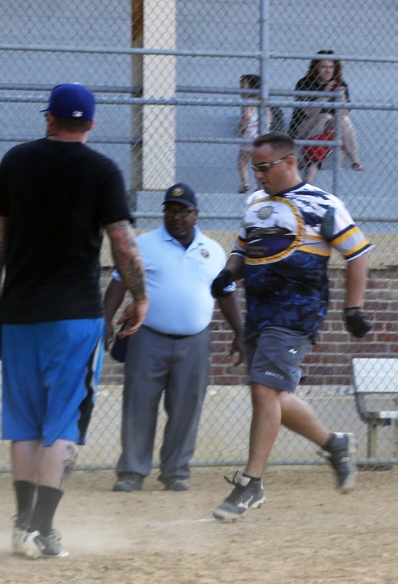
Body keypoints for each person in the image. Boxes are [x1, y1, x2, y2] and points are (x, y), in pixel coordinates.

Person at [0, 82, 147, 559]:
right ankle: (42, 529)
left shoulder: (16, 160)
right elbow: (122, 241)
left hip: (20, 312)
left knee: (24, 422)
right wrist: (140, 298)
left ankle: (21, 526)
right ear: (90, 125)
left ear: (49, 118)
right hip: (75, 315)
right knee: (63, 423)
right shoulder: (102, 171)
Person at [209, 131, 373, 523]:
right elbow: (242, 249)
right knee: (272, 394)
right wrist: (227, 274)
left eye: (265, 167)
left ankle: (252, 483)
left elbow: (358, 252)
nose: (259, 174)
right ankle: (334, 444)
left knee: (264, 389)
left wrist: (354, 308)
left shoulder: (323, 204)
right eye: (255, 168)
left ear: (289, 162)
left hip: (298, 311)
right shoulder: (255, 202)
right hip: (261, 310)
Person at [104, 183, 245, 494]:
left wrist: (239, 332)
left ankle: (176, 472)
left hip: (195, 341)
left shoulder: (213, 250)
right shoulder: (144, 244)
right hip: (148, 337)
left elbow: (225, 294)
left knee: (186, 408)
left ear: (196, 215)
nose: (176, 217)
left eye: (183, 212)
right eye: (170, 211)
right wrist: (106, 320)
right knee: (139, 405)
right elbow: (118, 281)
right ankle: (131, 472)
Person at [288, 50, 364, 172]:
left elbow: (344, 113)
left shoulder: (340, 84)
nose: (328, 70)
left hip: (329, 129)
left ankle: (355, 161)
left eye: (331, 67)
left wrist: (342, 95)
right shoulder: (304, 83)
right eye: (323, 67)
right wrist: (325, 93)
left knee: (342, 119)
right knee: (325, 117)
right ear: (316, 68)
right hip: (302, 129)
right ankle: (313, 158)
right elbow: (310, 113)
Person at [236, 74, 272, 194]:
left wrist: (241, 128)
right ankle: (260, 185)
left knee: (242, 161)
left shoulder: (247, 102)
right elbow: (270, 117)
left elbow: (246, 117)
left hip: (250, 133)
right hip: (262, 134)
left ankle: (245, 183)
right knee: (260, 162)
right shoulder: (262, 101)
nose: (241, 88)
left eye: (244, 86)